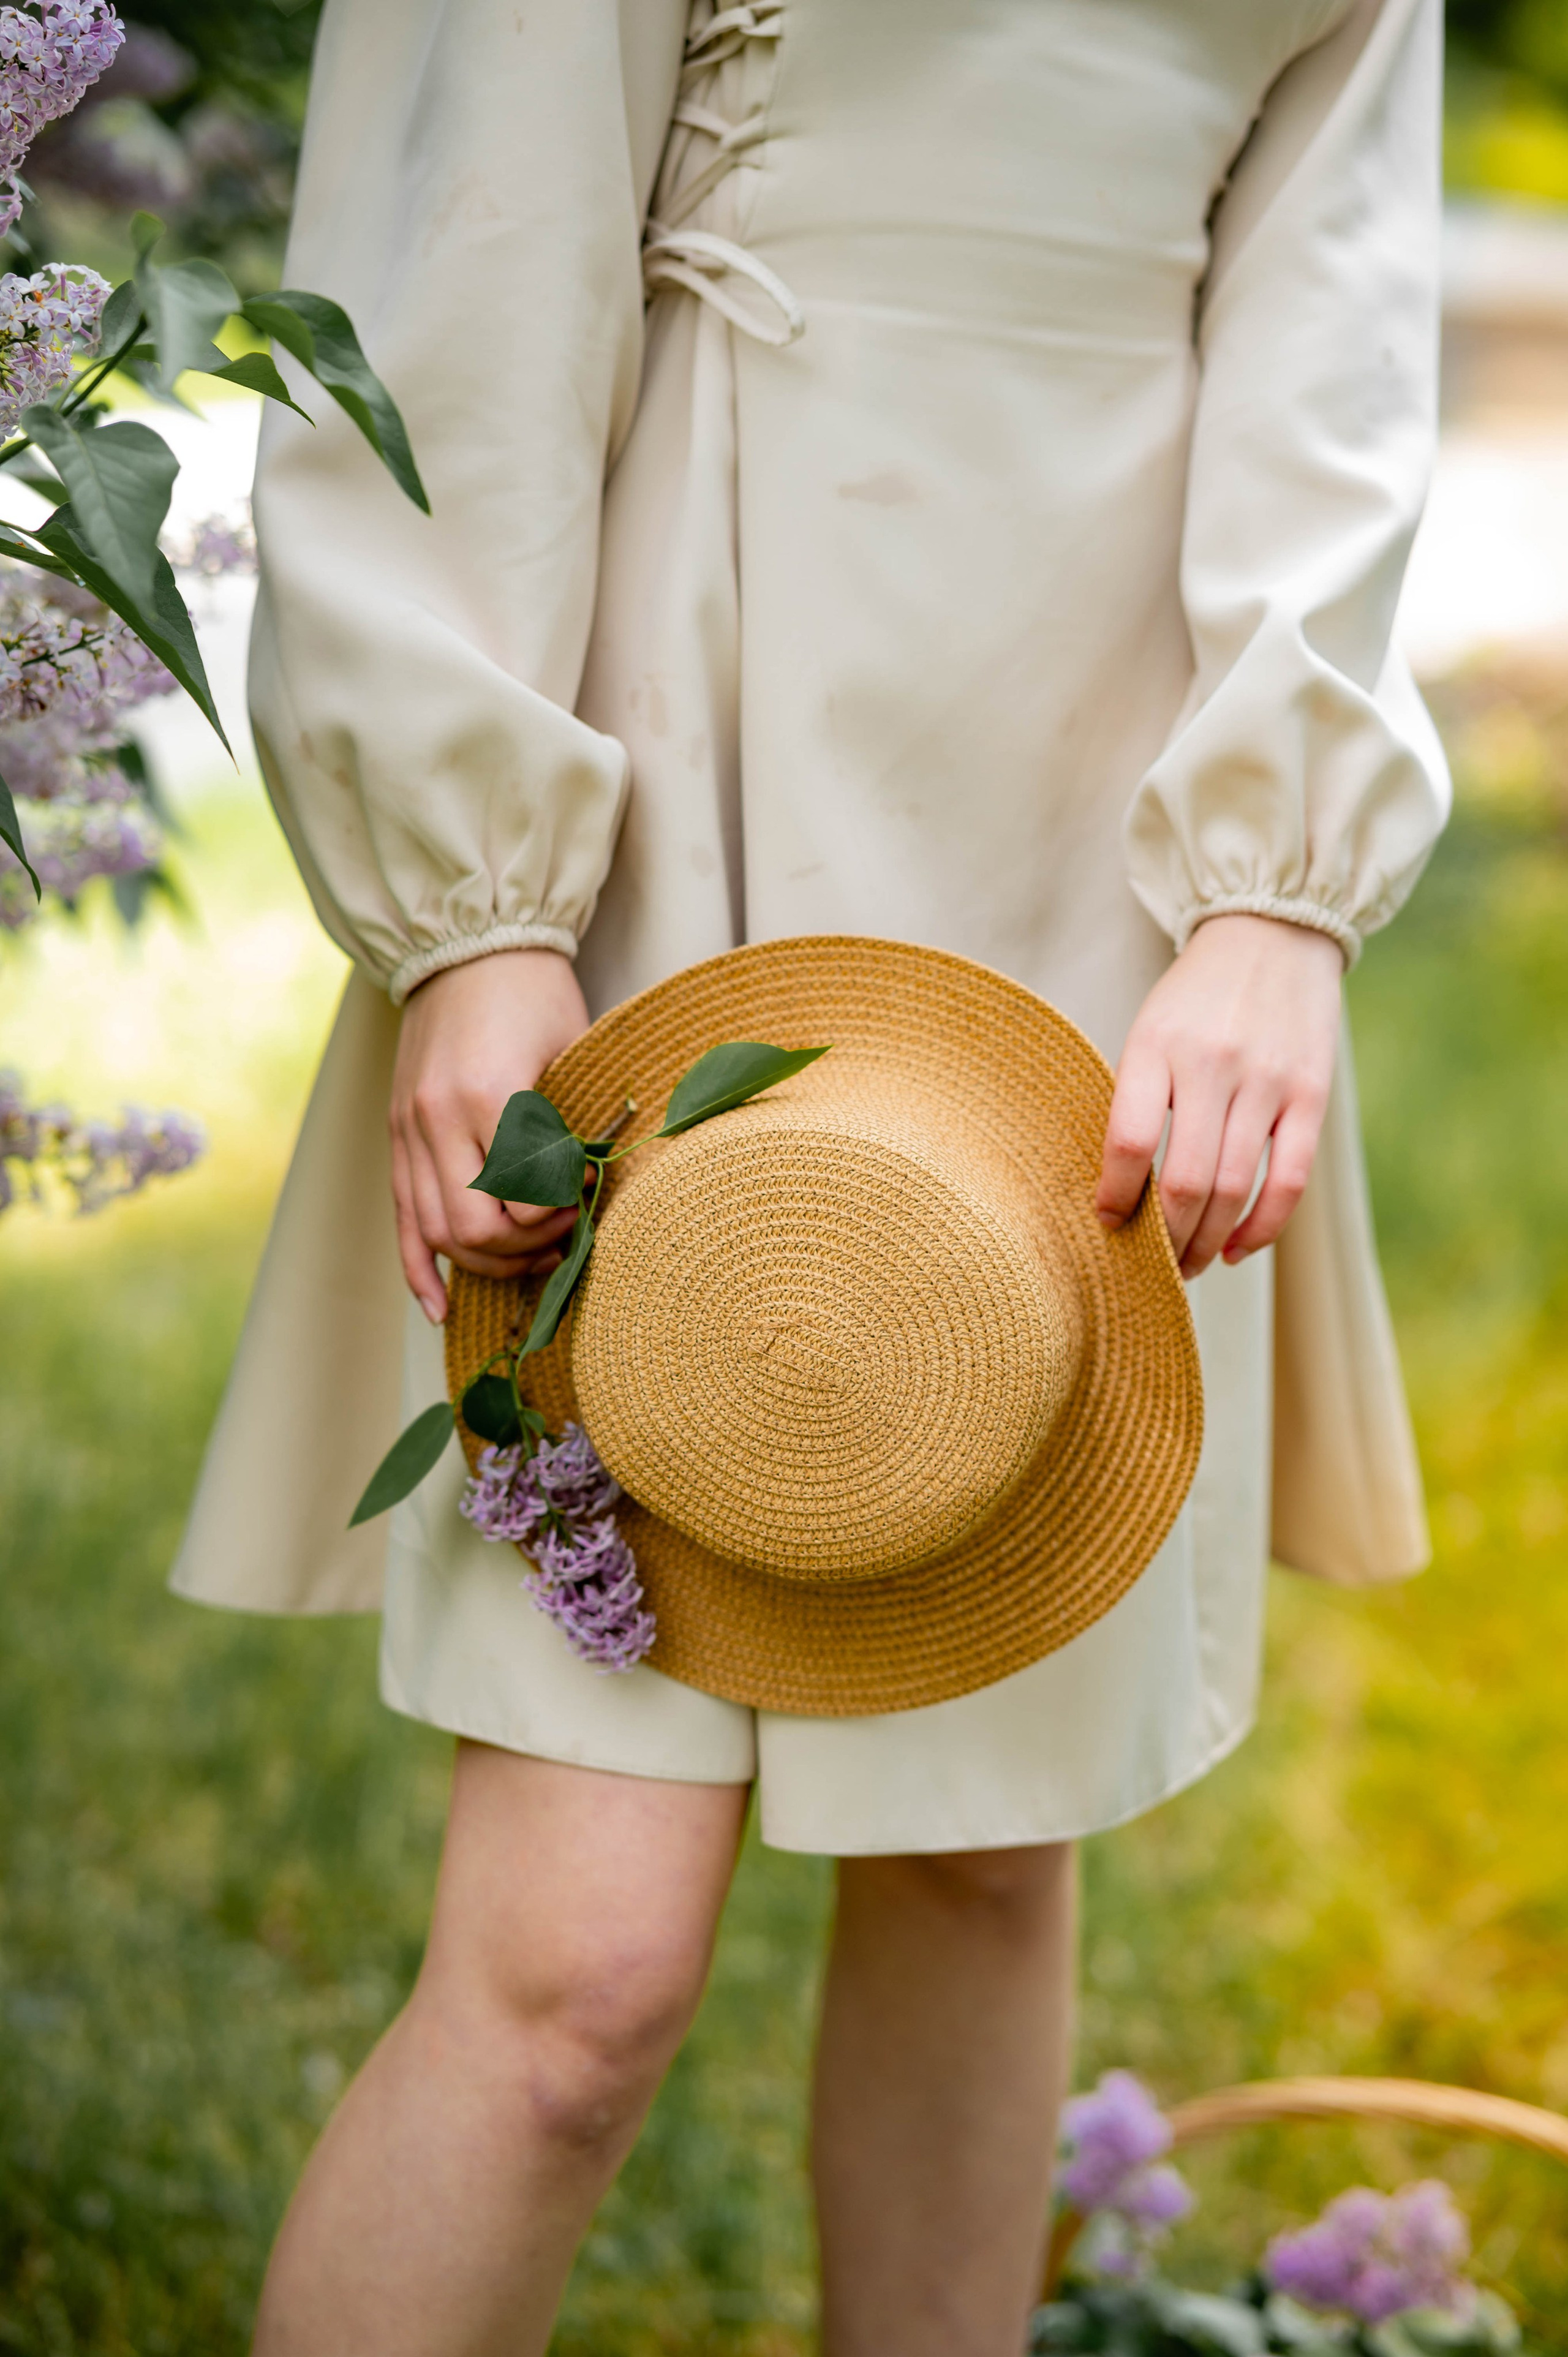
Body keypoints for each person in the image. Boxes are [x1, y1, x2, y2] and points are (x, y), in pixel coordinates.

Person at [172, 0, 1450, 2349]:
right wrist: (481, 910)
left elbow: (1335, 309)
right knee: (578, 1972)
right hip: (680, 765)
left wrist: (1275, 885)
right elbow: (463, 251)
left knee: (982, 1847)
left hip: (1116, 825)